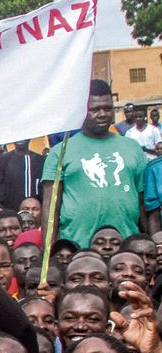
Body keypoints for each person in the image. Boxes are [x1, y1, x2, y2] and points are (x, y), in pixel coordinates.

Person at [42, 80, 147, 250]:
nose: (103, 114)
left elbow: (142, 202)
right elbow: (50, 208)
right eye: (95, 109)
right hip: (77, 251)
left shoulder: (132, 147)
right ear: (82, 111)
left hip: (127, 251)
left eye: (107, 108)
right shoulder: (60, 152)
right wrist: (49, 252)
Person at [0, 140, 45, 211]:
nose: (21, 140)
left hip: (36, 213)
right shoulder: (2, 161)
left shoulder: (40, 160)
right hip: (10, 211)